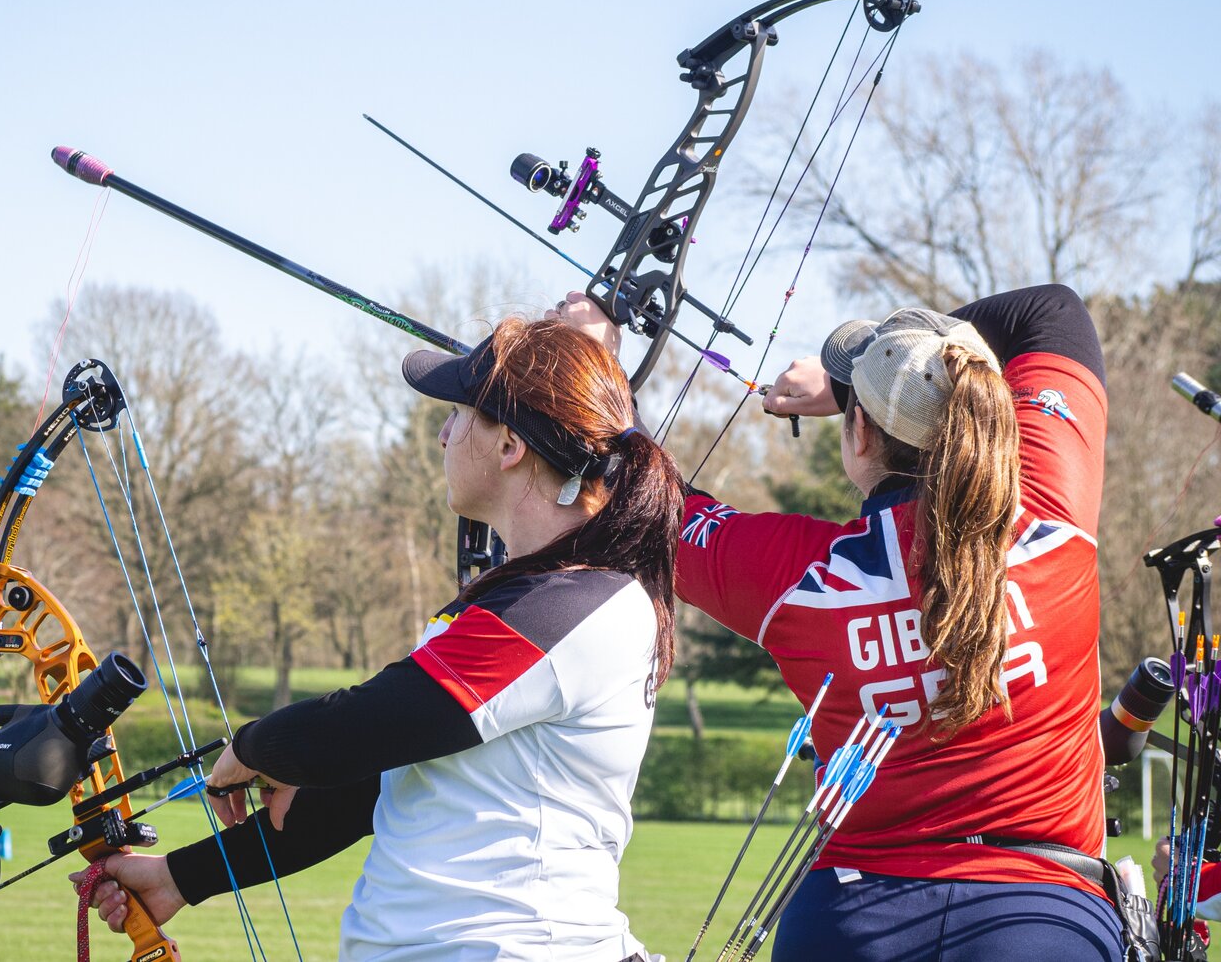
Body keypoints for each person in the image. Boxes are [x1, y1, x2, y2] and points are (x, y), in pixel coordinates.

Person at [72, 317, 686, 961]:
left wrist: (254, 747)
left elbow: (362, 729)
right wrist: (179, 879)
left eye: (458, 415)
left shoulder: (571, 606)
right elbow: (375, 778)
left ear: (509, 445)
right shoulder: (540, 600)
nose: (444, 434)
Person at [564, 284, 1118, 960]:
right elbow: (1051, 312)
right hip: (1044, 919)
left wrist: (588, 359)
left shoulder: (803, 578)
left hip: (852, 920)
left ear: (859, 434)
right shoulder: (1053, 515)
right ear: (991, 414)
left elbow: (640, 498)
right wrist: (850, 380)